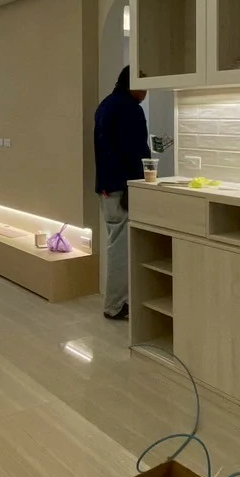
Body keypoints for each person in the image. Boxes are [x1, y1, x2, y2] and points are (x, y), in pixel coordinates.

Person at [93, 66, 150, 320]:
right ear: (133, 84)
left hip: (107, 186)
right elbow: (134, 151)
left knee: (116, 242)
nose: (146, 93)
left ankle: (118, 301)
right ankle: (115, 305)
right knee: (120, 246)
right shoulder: (130, 109)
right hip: (122, 187)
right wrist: (135, 184)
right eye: (144, 87)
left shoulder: (106, 104)